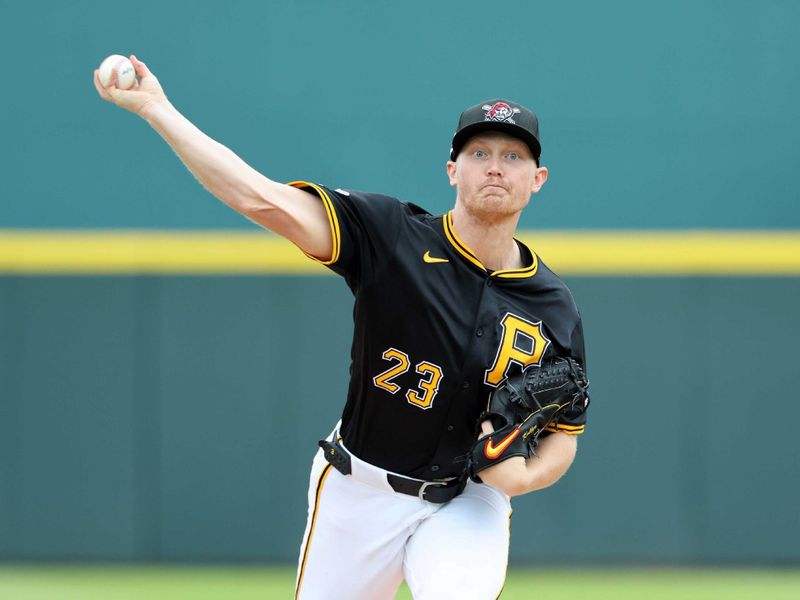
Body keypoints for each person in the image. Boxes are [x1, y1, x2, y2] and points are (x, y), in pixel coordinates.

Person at [93, 56, 589, 600]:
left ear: (537, 179)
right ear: (453, 169)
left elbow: (564, 434)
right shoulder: (391, 234)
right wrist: (157, 109)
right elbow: (260, 198)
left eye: (513, 156)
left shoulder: (553, 304)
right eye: (479, 153)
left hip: (468, 500)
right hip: (359, 491)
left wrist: (523, 477)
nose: (495, 166)